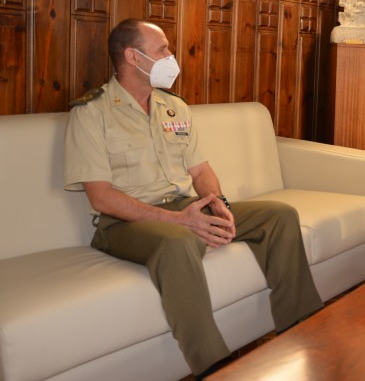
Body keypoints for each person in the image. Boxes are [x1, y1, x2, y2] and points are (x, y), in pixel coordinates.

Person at [64, 19, 323, 378]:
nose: (171, 56)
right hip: (125, 223)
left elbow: (201, 172)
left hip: (183, 209)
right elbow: (102, 197)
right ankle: (216, 367)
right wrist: (179, 220)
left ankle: (305, 331)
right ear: (132, 57)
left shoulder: (174, 107)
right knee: (177, 242)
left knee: (278, 215)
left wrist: (218, 204)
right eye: (163, 49)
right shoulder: (92, 113)